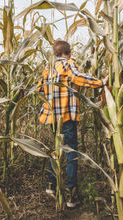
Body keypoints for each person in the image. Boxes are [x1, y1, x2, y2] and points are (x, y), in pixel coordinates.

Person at [37, 39, 107, 208]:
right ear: (69, 53)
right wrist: (101, 82)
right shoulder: (68, 64)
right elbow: (78, 77)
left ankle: (51, 186)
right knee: (70, 154)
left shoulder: (49, 70)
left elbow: (40, 89)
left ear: (54, 54)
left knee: (55, 150)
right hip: (67, 117)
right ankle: (70, 195)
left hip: (52, 118)